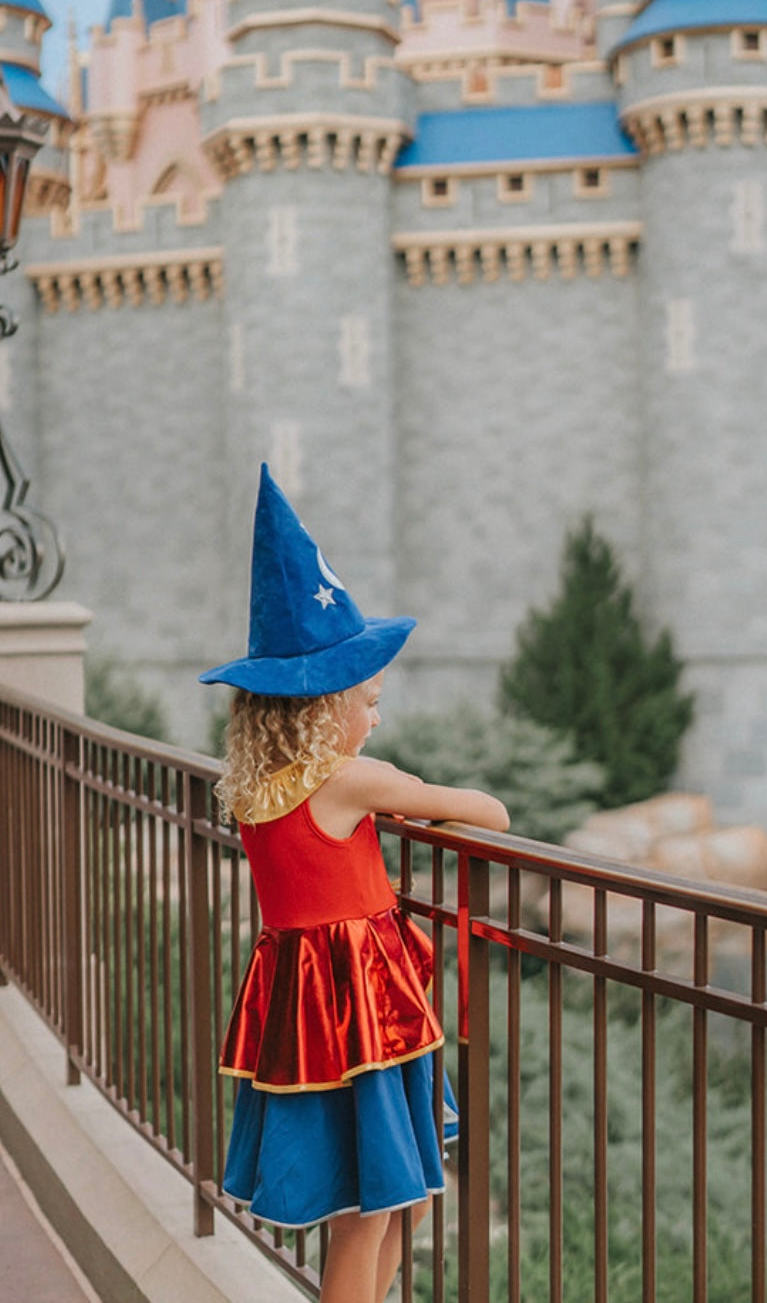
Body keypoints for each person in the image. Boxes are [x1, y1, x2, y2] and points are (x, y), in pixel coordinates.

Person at [199, 465, 509, 1303]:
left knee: (390, 1198)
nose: (377, 715)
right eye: (369, 699)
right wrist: (405, 789)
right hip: (363, 1013)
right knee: (373, 1211)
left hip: (304, 1008)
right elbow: (492, 813)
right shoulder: (350, 780)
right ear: (323, 705)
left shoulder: (257, 790)